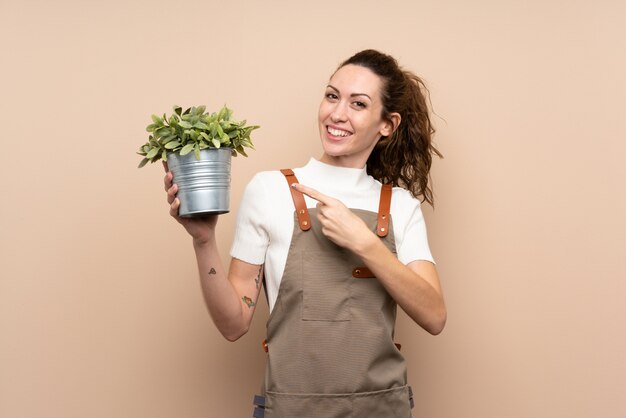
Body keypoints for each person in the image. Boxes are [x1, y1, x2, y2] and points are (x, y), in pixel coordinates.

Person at [163, 49, 446, 418]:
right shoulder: (269, 190)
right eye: (332, 96)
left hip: (382, 409)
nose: (337, 114)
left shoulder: (400, 206)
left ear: (387, 124)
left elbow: (434, 316)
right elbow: (233, 325)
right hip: (290, 407)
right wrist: (203, 241)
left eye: (358, 104)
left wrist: (364, 243)